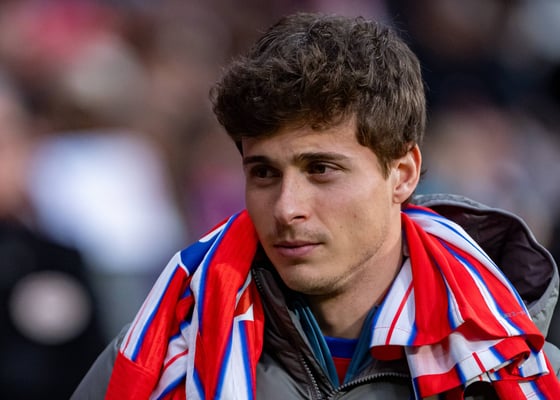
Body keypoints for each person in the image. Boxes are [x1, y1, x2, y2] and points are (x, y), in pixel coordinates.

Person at [72, 12, 560, 399]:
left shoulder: (525, 371)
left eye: (321, 169)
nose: (287, 208)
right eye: (264, 173)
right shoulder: (153, 353)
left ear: (403, 174)